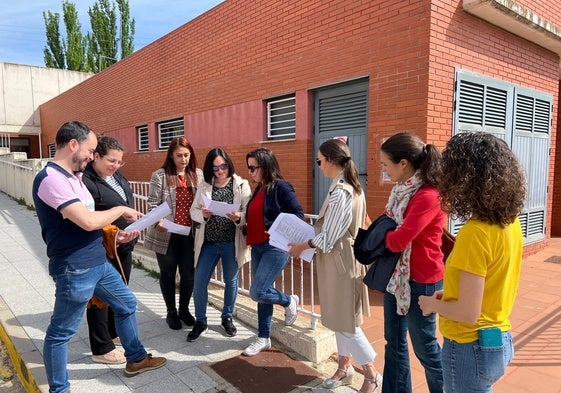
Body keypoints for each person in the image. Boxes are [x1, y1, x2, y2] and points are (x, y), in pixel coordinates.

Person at [33, 121, 166, 393]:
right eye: (91, 149)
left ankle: (136, 358)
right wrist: (120, 209)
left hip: (98, 263)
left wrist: (116, 236)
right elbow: (87, 221)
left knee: (127, 303)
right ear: (73, 144)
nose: (92, 156)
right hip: (74, 268)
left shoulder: (75, 177)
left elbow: (92, 226)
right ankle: (59, 389)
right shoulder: (50, 179)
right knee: (61, 333)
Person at [419, 132, 525, 393]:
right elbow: (490, 282)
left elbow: (468, 314)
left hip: (468, 348)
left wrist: (432, 304)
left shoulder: (475, 233)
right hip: (498, 339)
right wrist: (452, 294)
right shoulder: (510, 223)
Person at [289, 139, 383, 393]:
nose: (319, 166)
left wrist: (302, 245)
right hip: (339, 260)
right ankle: (344, 366)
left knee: (347, 323)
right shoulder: (348, 186)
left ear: (331, 160)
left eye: (319, 161)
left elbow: (328, 238)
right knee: (339, 320)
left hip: (340, 262)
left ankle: (372, 374)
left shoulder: (342, 191)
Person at [379, 132, 445, 393]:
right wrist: (386, 233)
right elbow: (393, 231)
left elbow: (397, 241)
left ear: (403, 163)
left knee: (426, 349)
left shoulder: (428, 196)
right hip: (397, 277)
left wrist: (379, 235)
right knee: (393, 341)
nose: (383, 169)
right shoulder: (400, 191)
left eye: (385, 164)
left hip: (421, 281)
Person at [242, 147, 303, 357]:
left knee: (257, 291)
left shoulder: (281, 187)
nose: (250, 172)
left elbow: (298, 214)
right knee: (262, 294)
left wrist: (278, 226)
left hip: (276, 246)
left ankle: (289, 301)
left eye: (253, 168)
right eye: (248, 168)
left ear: (265, 166)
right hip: (258, 246)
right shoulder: (258, 189)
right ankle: (264, 337)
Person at [187, 147, 252, 341]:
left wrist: (239, 216)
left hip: (231, 242)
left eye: (223, 166)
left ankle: (227, 317)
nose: (220, 171)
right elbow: (193, 211)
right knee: (199, 281)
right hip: (209, 242)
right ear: (210, 169)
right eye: (215, 168)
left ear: (228, 164)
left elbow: (248, 213)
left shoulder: (241, 184)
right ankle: (201, 321)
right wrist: (203, 214)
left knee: (231, 282)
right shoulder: (205, 185)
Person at [82, 135, 136, 364]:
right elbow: (89, 217)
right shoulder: (86, 181)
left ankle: (114, 334)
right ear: (96, 156)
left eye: (119, 162)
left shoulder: (116, 176)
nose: (115, 166)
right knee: (99, 298)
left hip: (123, 245)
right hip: (104, 248)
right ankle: (101, 347)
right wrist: (115, 235)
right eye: (111, 161)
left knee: (120, 291)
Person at [144, 136, 203, 330]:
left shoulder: (198, 175)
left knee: (188, 275)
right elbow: (152, 203)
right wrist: (158, 221)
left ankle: (184, 310)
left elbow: (203, 202)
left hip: (189, 235)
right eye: (179, 155)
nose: (183, 159)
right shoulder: (160, 175)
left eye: (187, 155)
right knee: (168, 274)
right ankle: (171, 312)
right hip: (166, 234)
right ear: (171, 155)